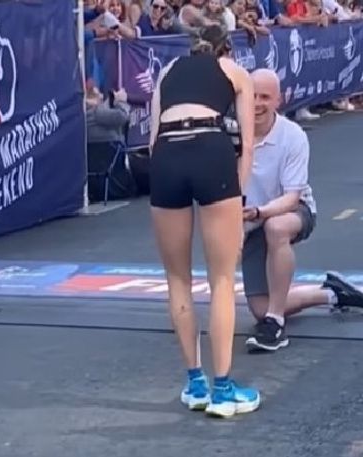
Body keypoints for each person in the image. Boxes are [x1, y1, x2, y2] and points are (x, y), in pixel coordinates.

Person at [148, 24, 258, 418]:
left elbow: (152, 137)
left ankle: (195, 382)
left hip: (167, 156)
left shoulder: (167, 71)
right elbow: (247, 145)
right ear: (224, 51)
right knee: (222, 279)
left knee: (177, 278)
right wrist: (237, 198)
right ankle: (223, 389)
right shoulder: (235, 73)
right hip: (211, 150)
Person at [242, 69, 363, 352]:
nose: (257, 103)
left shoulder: (292, 135)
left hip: (293, 211)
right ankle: (329, 294)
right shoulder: (232, 134)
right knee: (258, 308)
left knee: (276, 228)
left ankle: (275, 323)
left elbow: (292, 197)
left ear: (278, 101)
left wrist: (260, 213)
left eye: (265, 97)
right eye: (252, 96)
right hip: (250, 219)